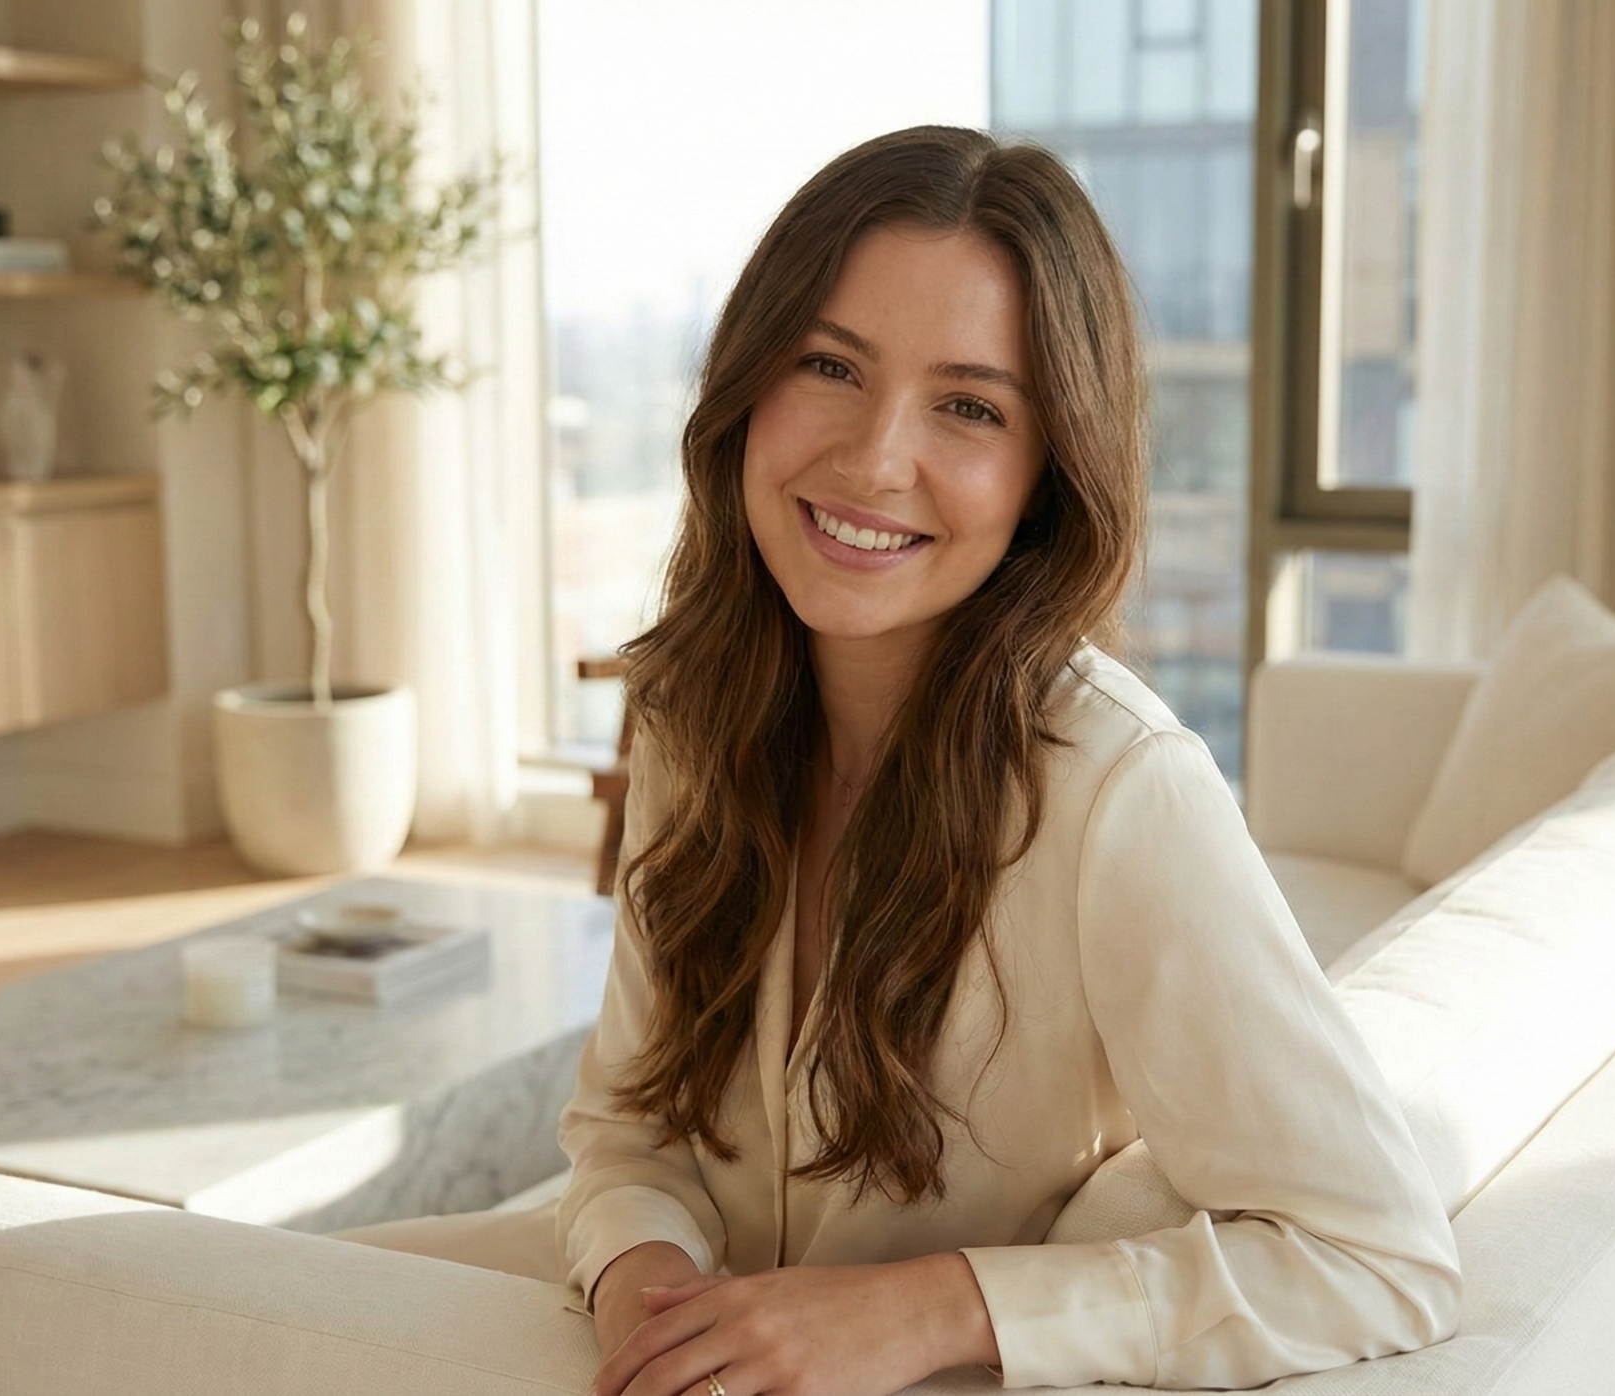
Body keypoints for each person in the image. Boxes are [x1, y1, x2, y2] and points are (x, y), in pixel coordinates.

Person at [340, 124, 1460, 1395]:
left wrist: (927, 1310)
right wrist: (648, 1291)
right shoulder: (688, 711)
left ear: (1048, 474)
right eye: (830, 365)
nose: (874, 459)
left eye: (969, 406)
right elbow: (626, 1131)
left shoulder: (1119, 792)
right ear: (746, 383)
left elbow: (1380, 1258)